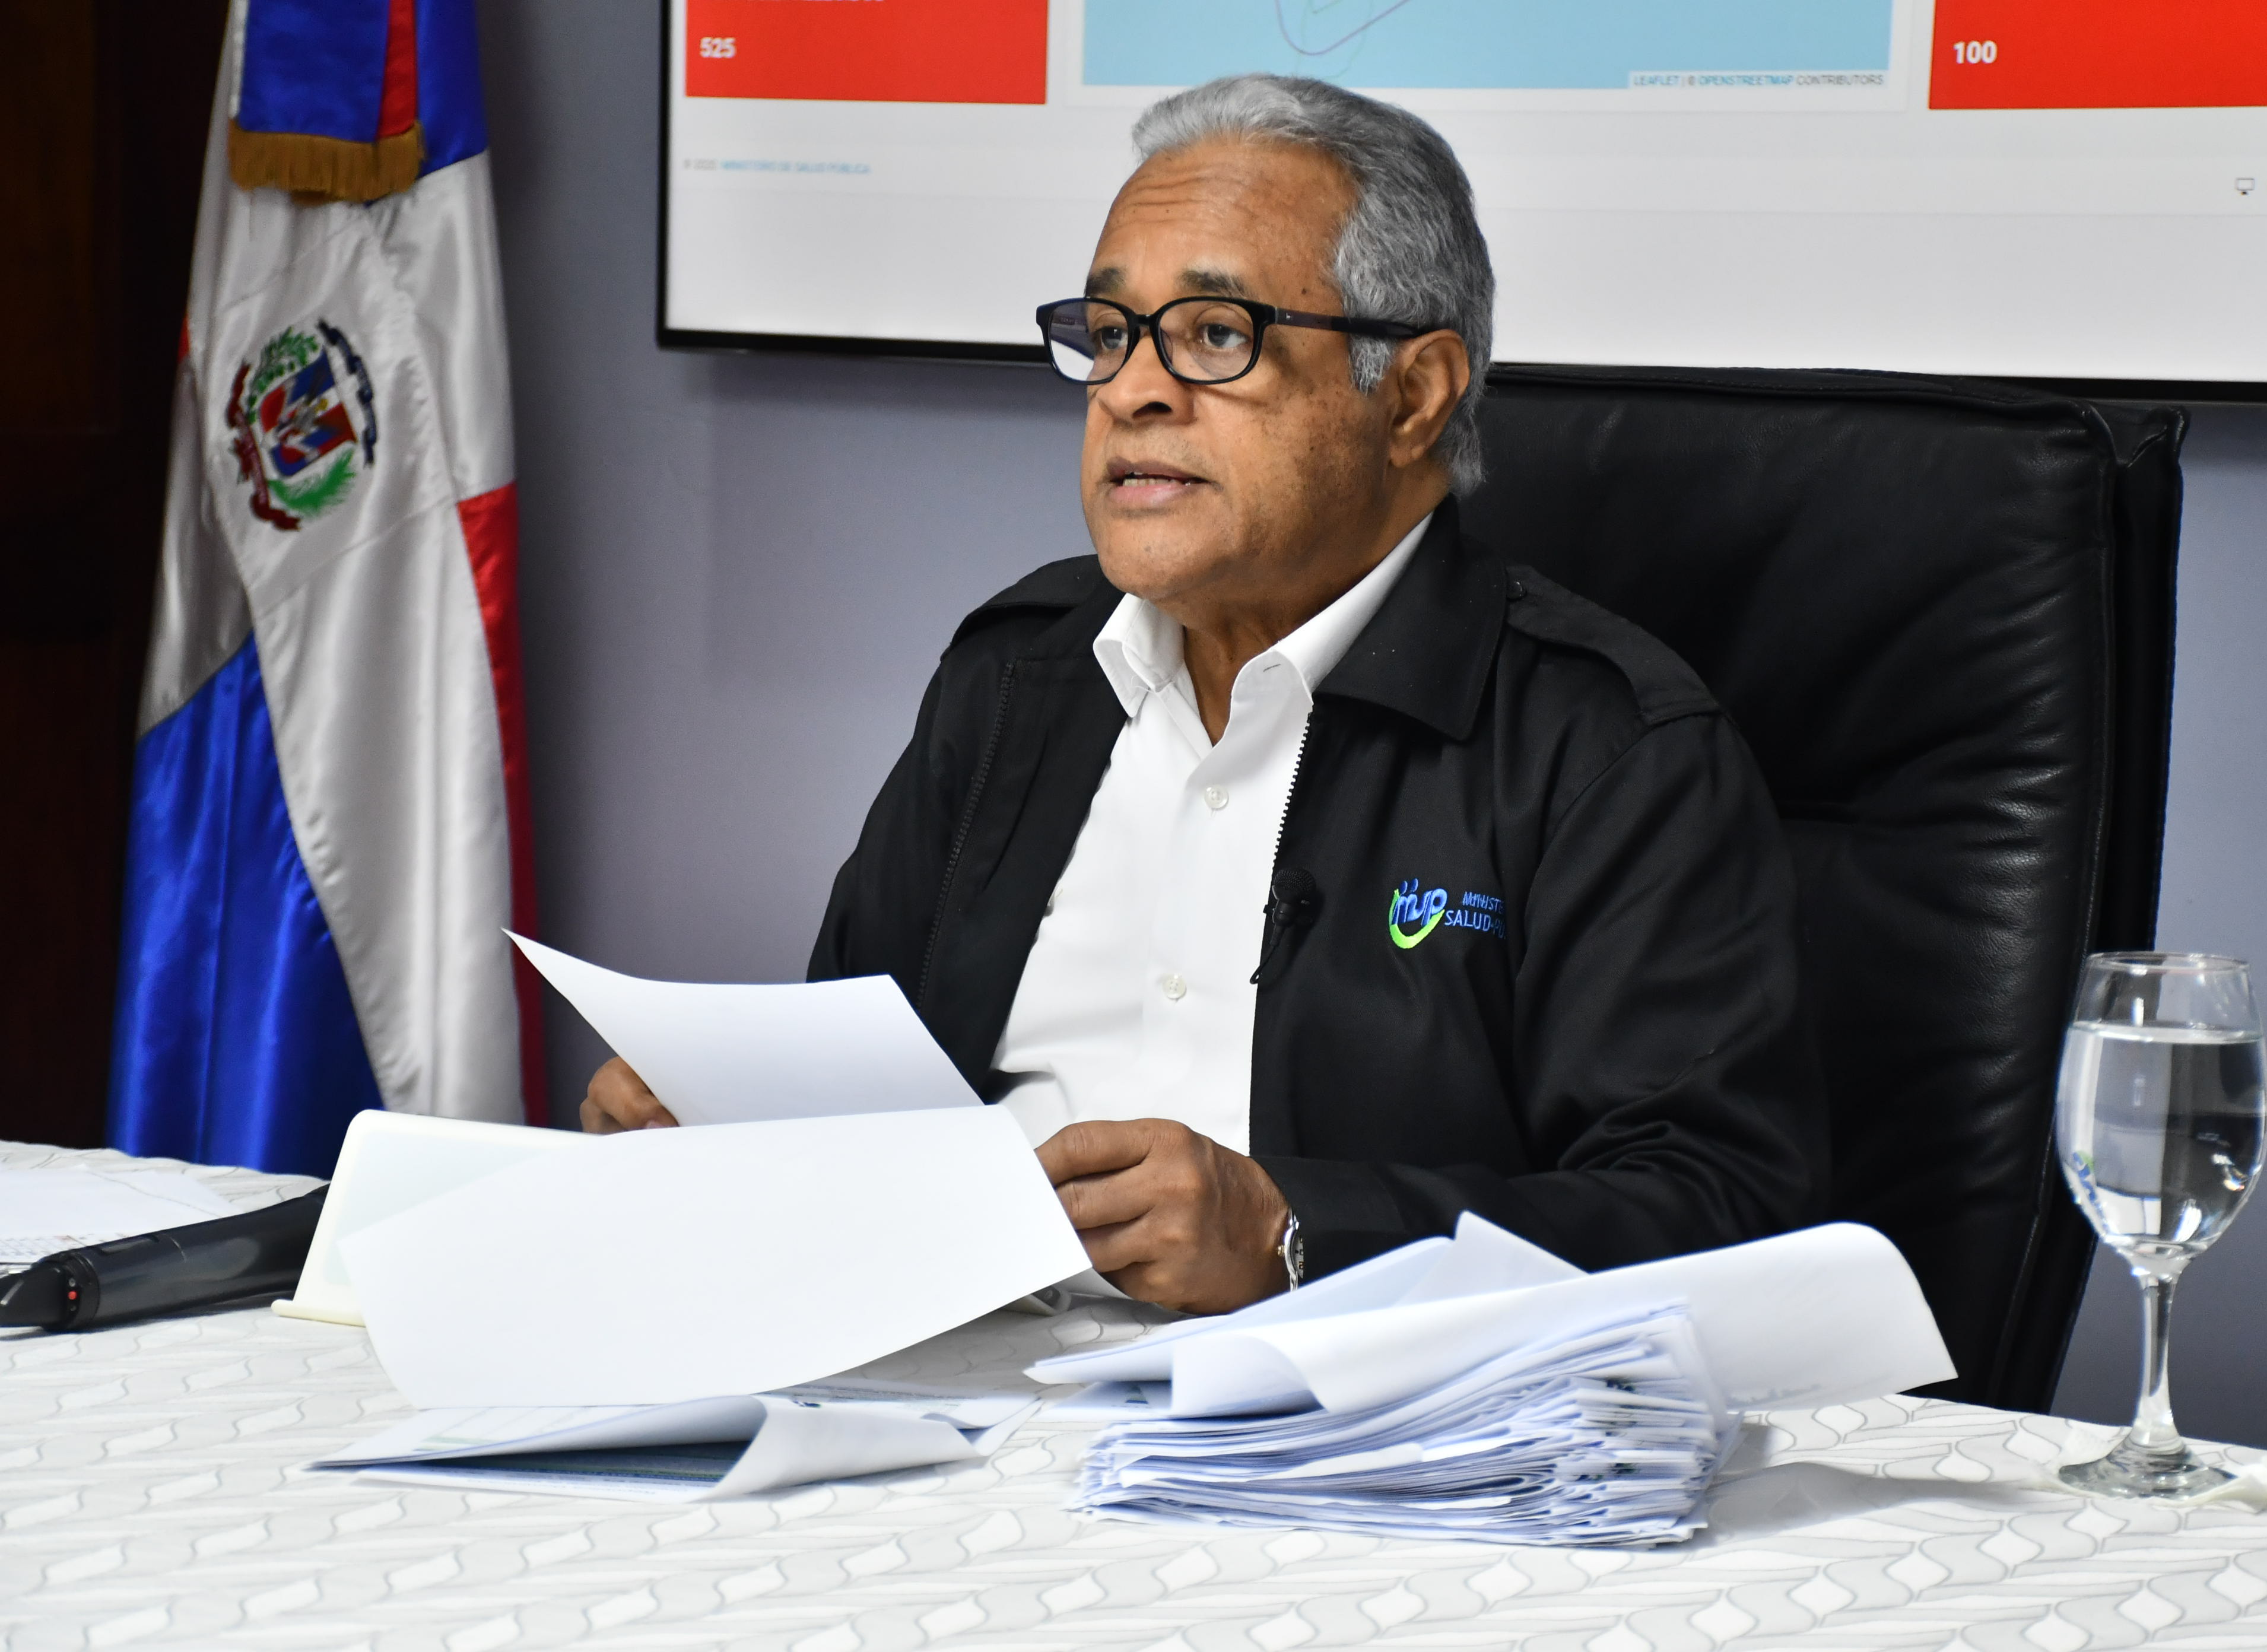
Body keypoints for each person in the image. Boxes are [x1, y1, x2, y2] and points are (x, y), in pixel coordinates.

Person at [584, 73, 1825, 1315]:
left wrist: (1296, 1235)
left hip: (1341, 1417)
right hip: (946, 1386)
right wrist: (739, 1134)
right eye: (1109, 333)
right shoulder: (1014, 676)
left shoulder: (1602, 745)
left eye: (1216, 335)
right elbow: (862, 1091)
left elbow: (1723, 1216)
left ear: (1412, 395)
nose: (1132, 390)